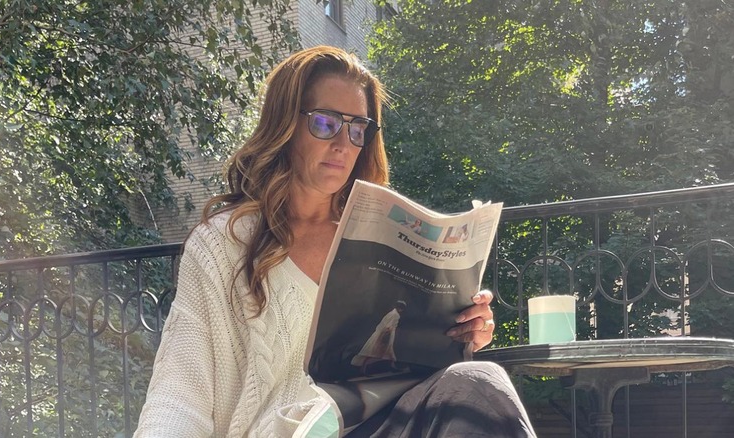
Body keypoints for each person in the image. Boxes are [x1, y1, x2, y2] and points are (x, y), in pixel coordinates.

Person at [134, 46, 536, 437]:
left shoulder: (379, 238)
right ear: (286, 126)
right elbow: (180, 392)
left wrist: (462, 334)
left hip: (389, 418)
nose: (343, 145)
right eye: (325, 123)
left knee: (479, 380)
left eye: (358, 128)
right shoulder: (225, 244)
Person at [351, 300, 407, 375]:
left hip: (382, 334)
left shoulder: (391, 313)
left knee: (386, 353)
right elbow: (389, 327)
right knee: (375, 352)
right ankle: (363, 369)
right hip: (385, 335)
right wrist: (386, 337)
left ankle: (392, 367)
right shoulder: (396, 315)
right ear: (400, 308)